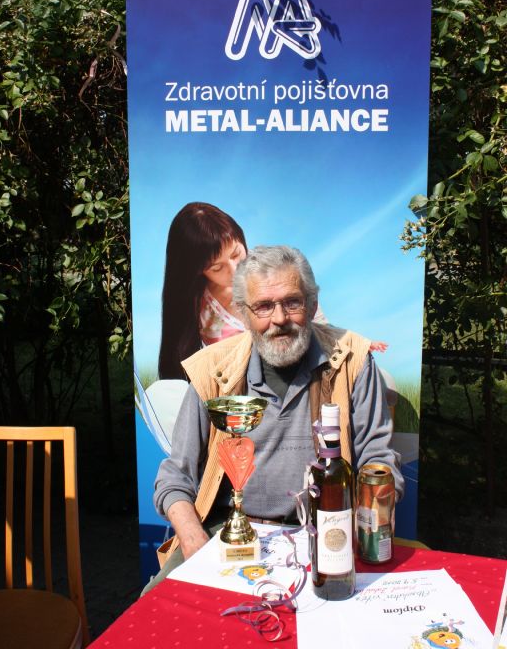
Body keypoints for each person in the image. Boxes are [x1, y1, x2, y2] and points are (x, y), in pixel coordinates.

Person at [146, 245, 403, 589]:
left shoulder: (352, 361)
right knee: (155, 609)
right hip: (225, 534)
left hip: (326, 532)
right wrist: (194, 541)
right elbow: (175, 477)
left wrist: (366, 520)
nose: (279, 319)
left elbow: (377, 460)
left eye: (292, 302)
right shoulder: (212, 370)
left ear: (312, 304)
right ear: (243, 313)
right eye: (264, 306)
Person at [158, 202, 247, 380]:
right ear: (197, 270)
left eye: (236, 254)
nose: (234, 270)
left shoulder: (272, 272)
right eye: (217, 268)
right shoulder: (200, 308)